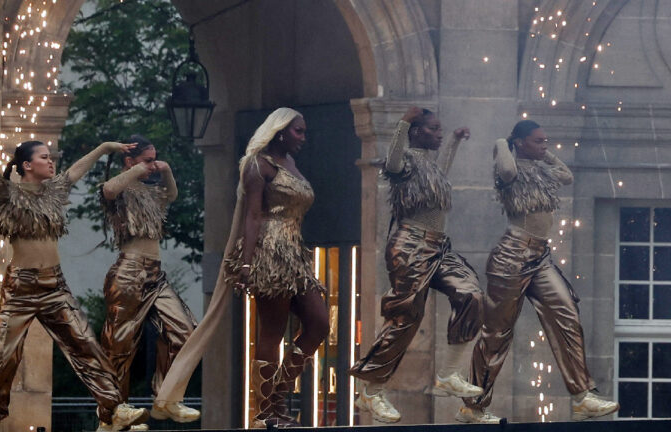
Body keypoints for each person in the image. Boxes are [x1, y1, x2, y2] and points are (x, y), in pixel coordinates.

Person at [151, 108, 329, 429]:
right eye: (299, 131)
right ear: (281, 132)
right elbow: (253, 216)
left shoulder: (291, 164)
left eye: (304, 131)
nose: (304, 137)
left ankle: (277, 398)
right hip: (268, 253)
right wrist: (247, 261)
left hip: (295, 254)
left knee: (319, 324)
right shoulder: (259, 166)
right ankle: (265, 413)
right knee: (272, 332)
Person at [0, 133, 148, 432]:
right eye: (44, 157)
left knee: (85, 343)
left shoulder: (53, 192)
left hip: (54, 286)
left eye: (51, 157)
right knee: (2, 357)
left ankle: (113, 411)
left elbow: (75, 170)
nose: (51, 161)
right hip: (20, 288)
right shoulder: (8, 194)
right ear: (27, 165)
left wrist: (102, 148)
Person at [456, 120, 619, 423]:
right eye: (539, 141)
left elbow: (567, 176)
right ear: (519, 142)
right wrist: (502, 143)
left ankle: (583, 396)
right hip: (511, 256)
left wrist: (545, 155)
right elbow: (506, 171)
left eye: (547, 140)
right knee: (496, 334)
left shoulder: (541, 171)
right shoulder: (508, 169)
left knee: (567, 313)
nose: (545, 145)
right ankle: (472, 406)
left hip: (540, 256)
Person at [348, 106, 484, 423]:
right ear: (418, 131)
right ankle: (370, 392)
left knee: (472, 295)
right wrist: (402, 123)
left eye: (440, 130)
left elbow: (441, 174)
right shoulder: (405, 161)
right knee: (405, 320)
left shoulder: (429, 165)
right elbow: (392, 161)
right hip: (410, 246)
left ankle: (449, 373)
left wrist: (453, 141)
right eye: (435, 129)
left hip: (439, 246)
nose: (438, 133)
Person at [97, 135, 198, 427]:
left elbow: (172, 195)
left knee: (185, 330)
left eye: (155, 159)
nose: (152, 165)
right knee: (120, 344)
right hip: (129, 271)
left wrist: (165, 171)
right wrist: (137, 169)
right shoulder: (121, 188)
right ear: (130, 162)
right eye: (147, 160)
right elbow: (109, 189)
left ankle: (166, 398)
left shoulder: (151, 193)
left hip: (155, 274)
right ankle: (112, 414)